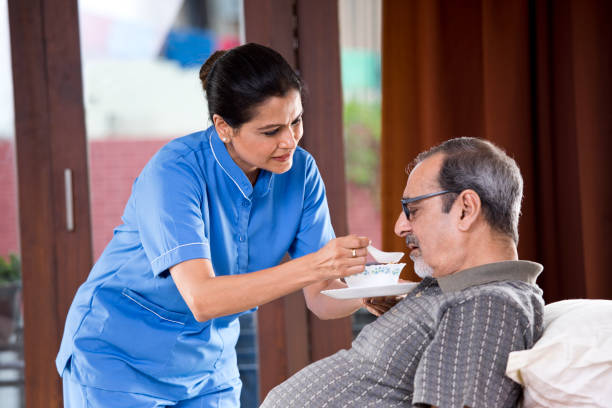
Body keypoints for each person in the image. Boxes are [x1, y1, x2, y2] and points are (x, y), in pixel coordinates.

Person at [56, 43, 370, 407]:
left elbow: (321, 295)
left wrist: (367, 293)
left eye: (296, 120)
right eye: (270, 131)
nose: (290, 141)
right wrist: (314, 265)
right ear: (224, 127)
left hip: (208, 367)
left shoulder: (302, 173)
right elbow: (202, 298)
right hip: (116, 360)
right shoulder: (175, 171)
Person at [261, 137, 545, 408]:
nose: (400, 227)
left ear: (465, 209)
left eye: (413, 209)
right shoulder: (459, 294)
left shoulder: (489, 305)